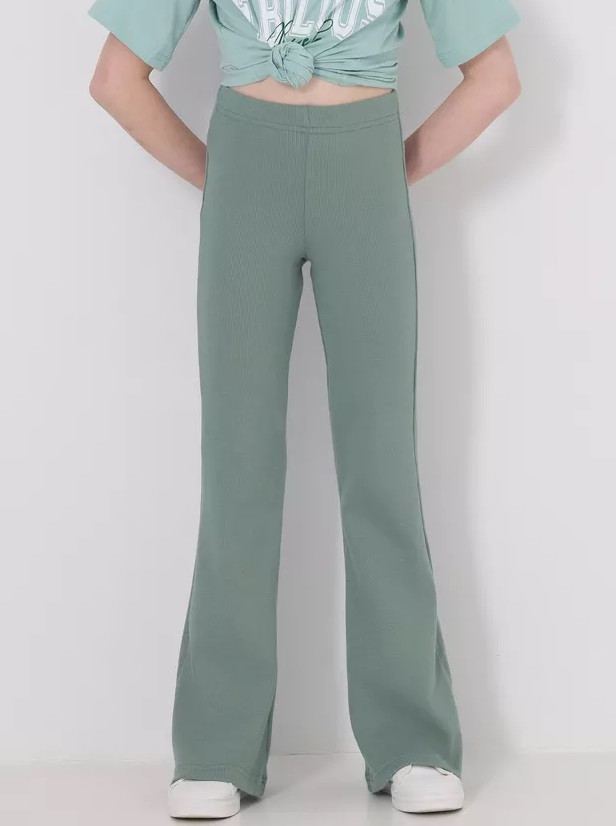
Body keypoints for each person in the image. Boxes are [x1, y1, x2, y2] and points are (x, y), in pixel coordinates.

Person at [88, 0, 520, 817]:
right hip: (249, 156)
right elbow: (115, 78)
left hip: (364, 161)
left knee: (381, 461)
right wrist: (227, 176)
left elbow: (496, 78)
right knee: (238, 460)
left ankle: (414, 741)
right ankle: (215, 747)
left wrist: (384, 171)